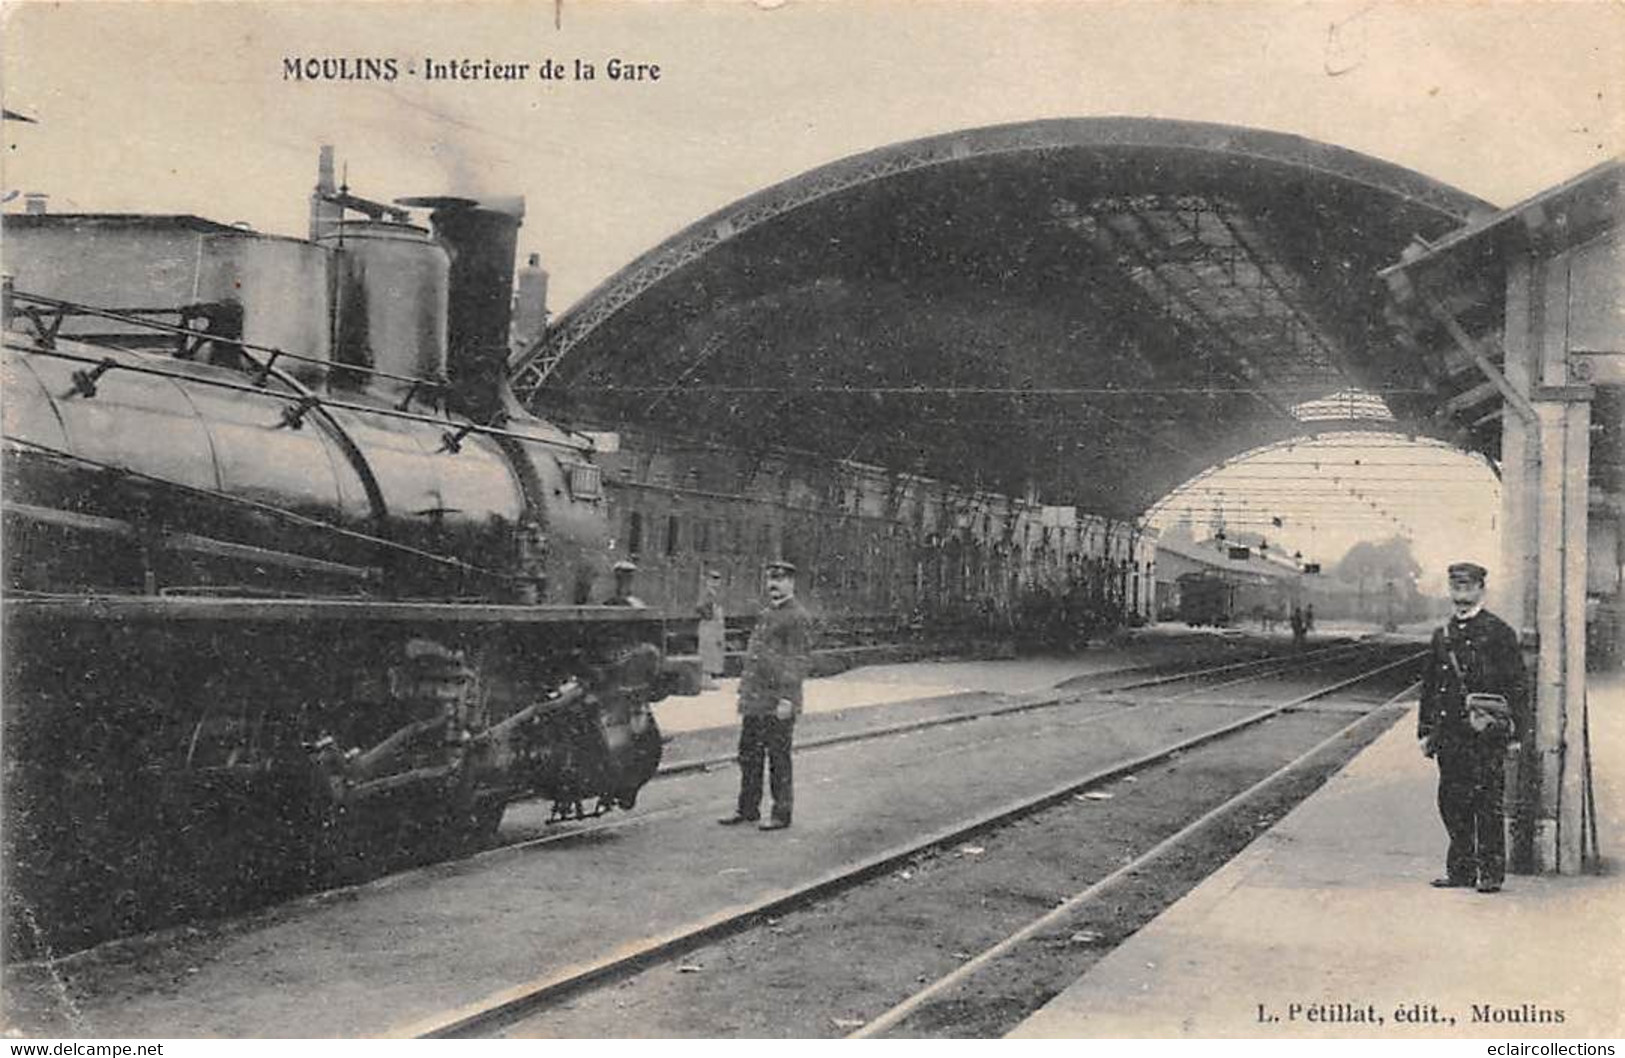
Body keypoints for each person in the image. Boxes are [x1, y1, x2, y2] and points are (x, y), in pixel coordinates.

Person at [1417, 561, 1526, 894]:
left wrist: (1516, 734)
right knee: (1451, 801)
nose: (1461, 595)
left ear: (1481, 589)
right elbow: (1430, 685)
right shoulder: (1443, 635)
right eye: (1456, 588)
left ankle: (1491, 872)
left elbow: (1517, 686)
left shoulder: (1499, 632)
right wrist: (1424, 730)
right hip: (1449, 735)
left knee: (1487, 802)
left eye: (1467, 588)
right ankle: (1461, 870)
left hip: (1485, 734)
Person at [718, 559, 811, 831]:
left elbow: (798, 660)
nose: (773, 584)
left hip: (777, 701)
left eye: (780, 579)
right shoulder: (767, 613)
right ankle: (748, 809)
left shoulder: (797, 616)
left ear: (791, 583)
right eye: (770, 578)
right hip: (756, 700)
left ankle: (782, 813)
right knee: (749, 754)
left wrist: (787, 699)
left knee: (778, 757)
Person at [696, 569, 726, 689]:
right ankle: (705, 679)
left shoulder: (712, 593)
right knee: (707, 651)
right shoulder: (707, 593)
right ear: (707, 581)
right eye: (712, 580)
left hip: (713, 625)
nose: (715, 582)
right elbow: (699, 606)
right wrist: (709, 616)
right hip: (709, 625)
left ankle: (707, 678)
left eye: (717, 580)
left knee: (712, 651)